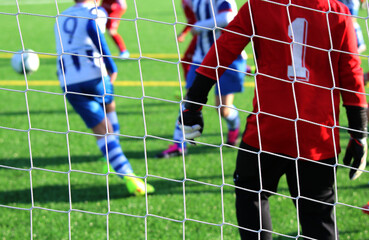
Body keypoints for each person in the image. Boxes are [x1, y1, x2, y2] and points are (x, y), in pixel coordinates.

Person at [178, 0, 368, 239]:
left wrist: (193, 104)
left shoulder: (259, 5)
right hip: (316, 137)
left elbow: (223, 49)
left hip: (267, 131)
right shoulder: (338, 11)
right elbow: (351, 74)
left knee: (251, 195)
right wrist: (358, 133)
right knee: (318, 217)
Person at [54, 0, 154, 196]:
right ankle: (127, 175)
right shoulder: (96, 11)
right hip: (94, 74)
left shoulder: (60, 16)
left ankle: (112, 161)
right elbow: (93, 28)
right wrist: (111, 65)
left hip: (68, 80)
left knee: (100, 130)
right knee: (108, 111)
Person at [156, 0, 247, 158]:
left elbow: (227, 17)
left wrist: (199, 26)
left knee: (222, 109)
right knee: (189, 100)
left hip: (227, 58)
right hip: (201, 57)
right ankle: (179, 144)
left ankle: (234, 126)